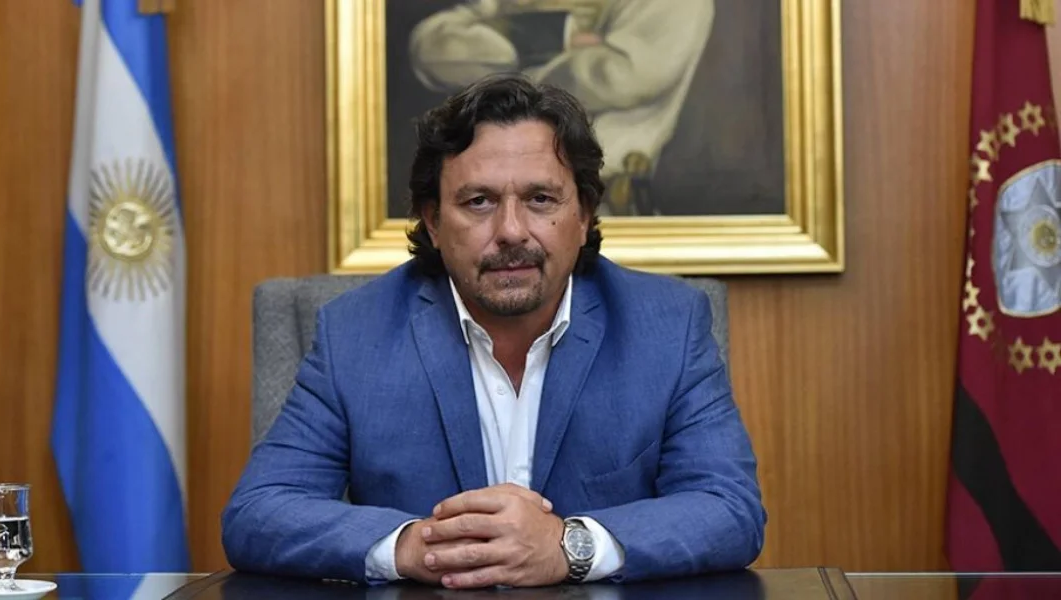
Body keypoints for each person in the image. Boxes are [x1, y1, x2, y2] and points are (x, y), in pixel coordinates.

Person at [222, 74, 765, 589]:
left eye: (540, 199)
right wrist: (415, 546)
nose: (510, 231)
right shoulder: (354, 333)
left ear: (583, 215)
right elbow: (259, 512)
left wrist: (568, 546)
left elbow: (729, 509)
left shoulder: (666, 325)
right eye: (478, 201)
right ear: (434, 222)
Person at [407, 0, 714, 216]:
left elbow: (621, 75)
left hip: (605, 209)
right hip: (491, 209)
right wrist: (561, 36)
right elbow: (433, 50)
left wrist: (513, 70)